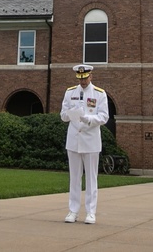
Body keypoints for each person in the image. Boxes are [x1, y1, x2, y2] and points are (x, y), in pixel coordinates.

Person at [59, 63, 109, 224]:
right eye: (80, 78)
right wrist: (71, 114)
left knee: (91, 178)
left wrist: (88, 118)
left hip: (91, 140)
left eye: (85, 78)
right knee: (74, 178)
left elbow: (104, 117)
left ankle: (90, 212)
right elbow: (63, 115)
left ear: (91, 76)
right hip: (74, 139)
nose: (83, 81)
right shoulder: (70, 92)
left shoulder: (99, 94)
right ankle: (73, 211)